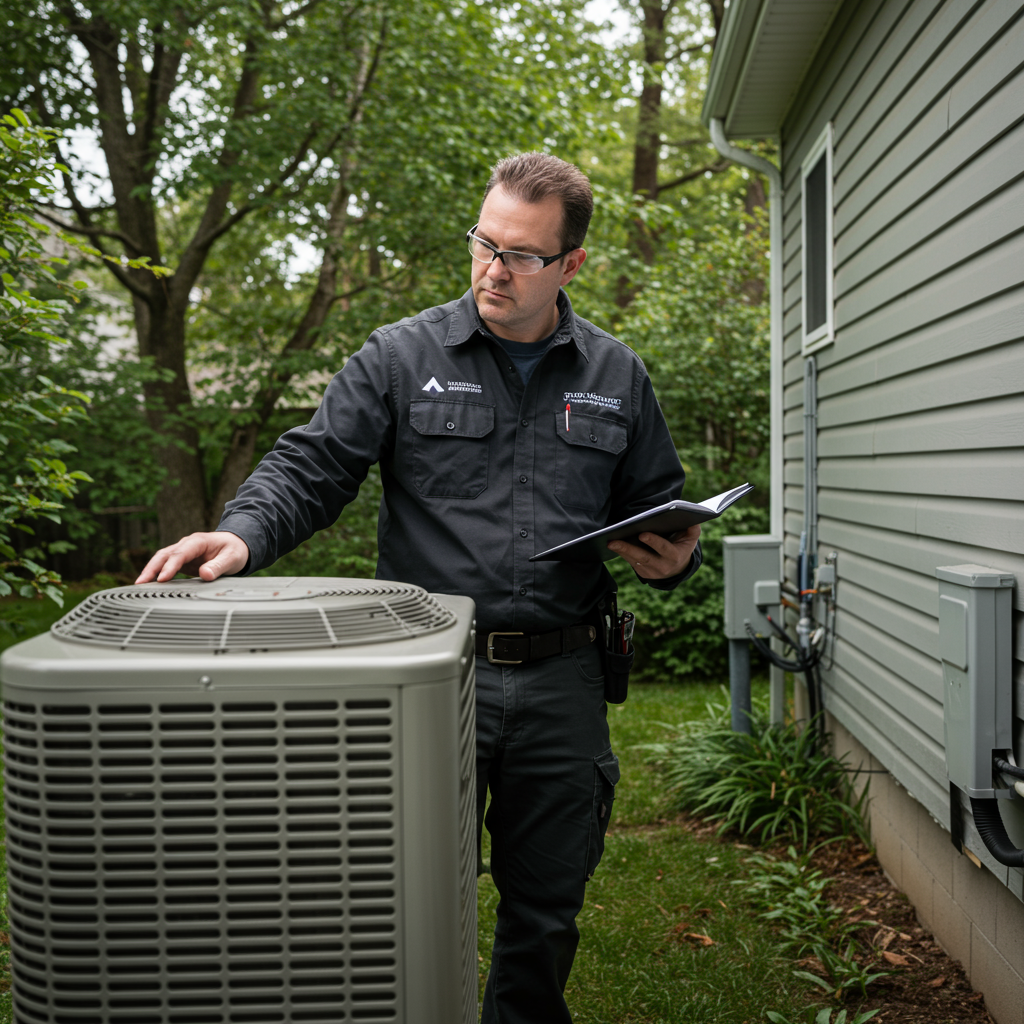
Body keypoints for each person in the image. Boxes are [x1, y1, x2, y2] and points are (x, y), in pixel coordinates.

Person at [137, 152, 702, 1022]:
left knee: (546, 909)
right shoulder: (402, 357)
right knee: (401, 896)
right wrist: (242, 533)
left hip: (563, 679)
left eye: (522, 255)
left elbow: (658, 508)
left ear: (571, 265)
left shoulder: (616, 376)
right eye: (484, 242)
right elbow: (313, 467)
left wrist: (676, 560)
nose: (493, 269)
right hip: (430, 676)